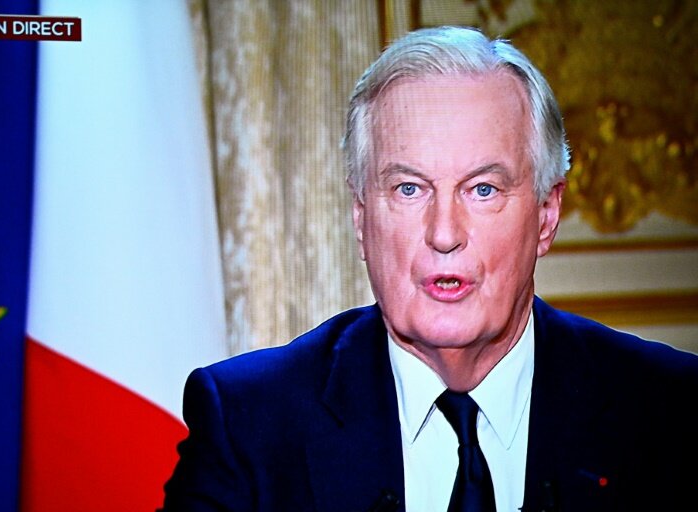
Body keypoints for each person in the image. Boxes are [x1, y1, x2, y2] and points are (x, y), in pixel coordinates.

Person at [161, 26, 698, 511]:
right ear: (361, 217)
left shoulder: (672, 412)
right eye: (408, 189)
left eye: (482, 189)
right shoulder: (249, 424)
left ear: (546, 215)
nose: (444, 233)